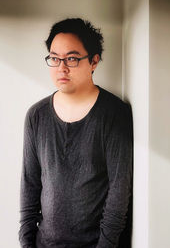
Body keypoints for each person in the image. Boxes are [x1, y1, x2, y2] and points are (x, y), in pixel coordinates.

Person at [19, 18, 133, 248]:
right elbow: (29, 186)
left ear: (93, 61)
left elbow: (119, 194)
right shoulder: (36, 116)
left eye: (71, 58)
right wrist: (26, 243)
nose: (62, 67)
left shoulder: (114, 114)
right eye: (54, 58)